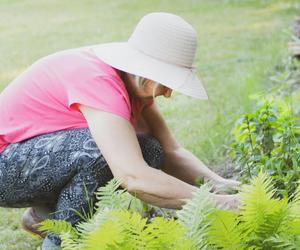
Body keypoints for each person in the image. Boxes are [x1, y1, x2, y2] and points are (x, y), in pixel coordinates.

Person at [0, 12, 240, 249]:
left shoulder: (133, 85)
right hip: (4, 166)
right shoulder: (99, 82)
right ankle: (58, 243)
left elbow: (172, 151)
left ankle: (44, 217)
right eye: (168, 82)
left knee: (151, 150)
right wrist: (217, 203)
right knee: (100, 153)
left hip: (25, 160)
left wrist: (221, 185)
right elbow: (133, 177)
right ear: (147, 73)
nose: (169, 93)